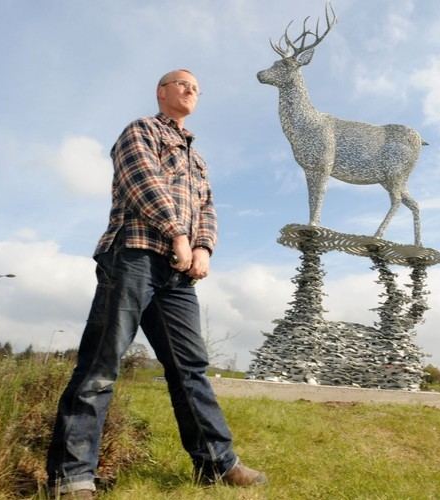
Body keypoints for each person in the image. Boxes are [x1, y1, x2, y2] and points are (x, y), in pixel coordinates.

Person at [46, 69, 266, 499]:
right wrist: (177, 234)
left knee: (191, 370)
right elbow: (139, 180)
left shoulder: (197, 158)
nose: (190, 90)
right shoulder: (141, 130)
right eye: (182, 84)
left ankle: (217, 465)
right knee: (101, 364)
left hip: (179, 272)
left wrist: (203, 248)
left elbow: (207, 208)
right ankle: (72, 478)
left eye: (197, 88)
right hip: (132, 254)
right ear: (161, 92)